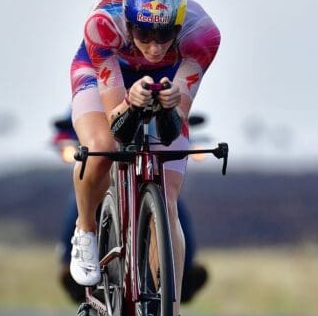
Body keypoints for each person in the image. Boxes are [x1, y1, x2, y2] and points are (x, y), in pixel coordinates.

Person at [68, 0, 220, 316]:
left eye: (164, 35)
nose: (154, 47)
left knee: (167, 202)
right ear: (130, 23)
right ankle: (85, 232)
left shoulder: (203, 36)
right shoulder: (104, 25)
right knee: (101, 148)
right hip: (103, 73)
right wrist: (131, 102)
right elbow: (117, 121)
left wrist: (170, 102)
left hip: (165, 83)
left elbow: (175, 126)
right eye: (145, 34)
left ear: (179, 25)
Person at [52, 112, 208, 304]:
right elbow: (77, 113)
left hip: (147, 152)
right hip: (106, 151)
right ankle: (69, 263)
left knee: (171, 202)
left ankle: (186, 269)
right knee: (81, 200)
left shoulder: (161, 84)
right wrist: (64, 135)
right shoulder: (98, 84)